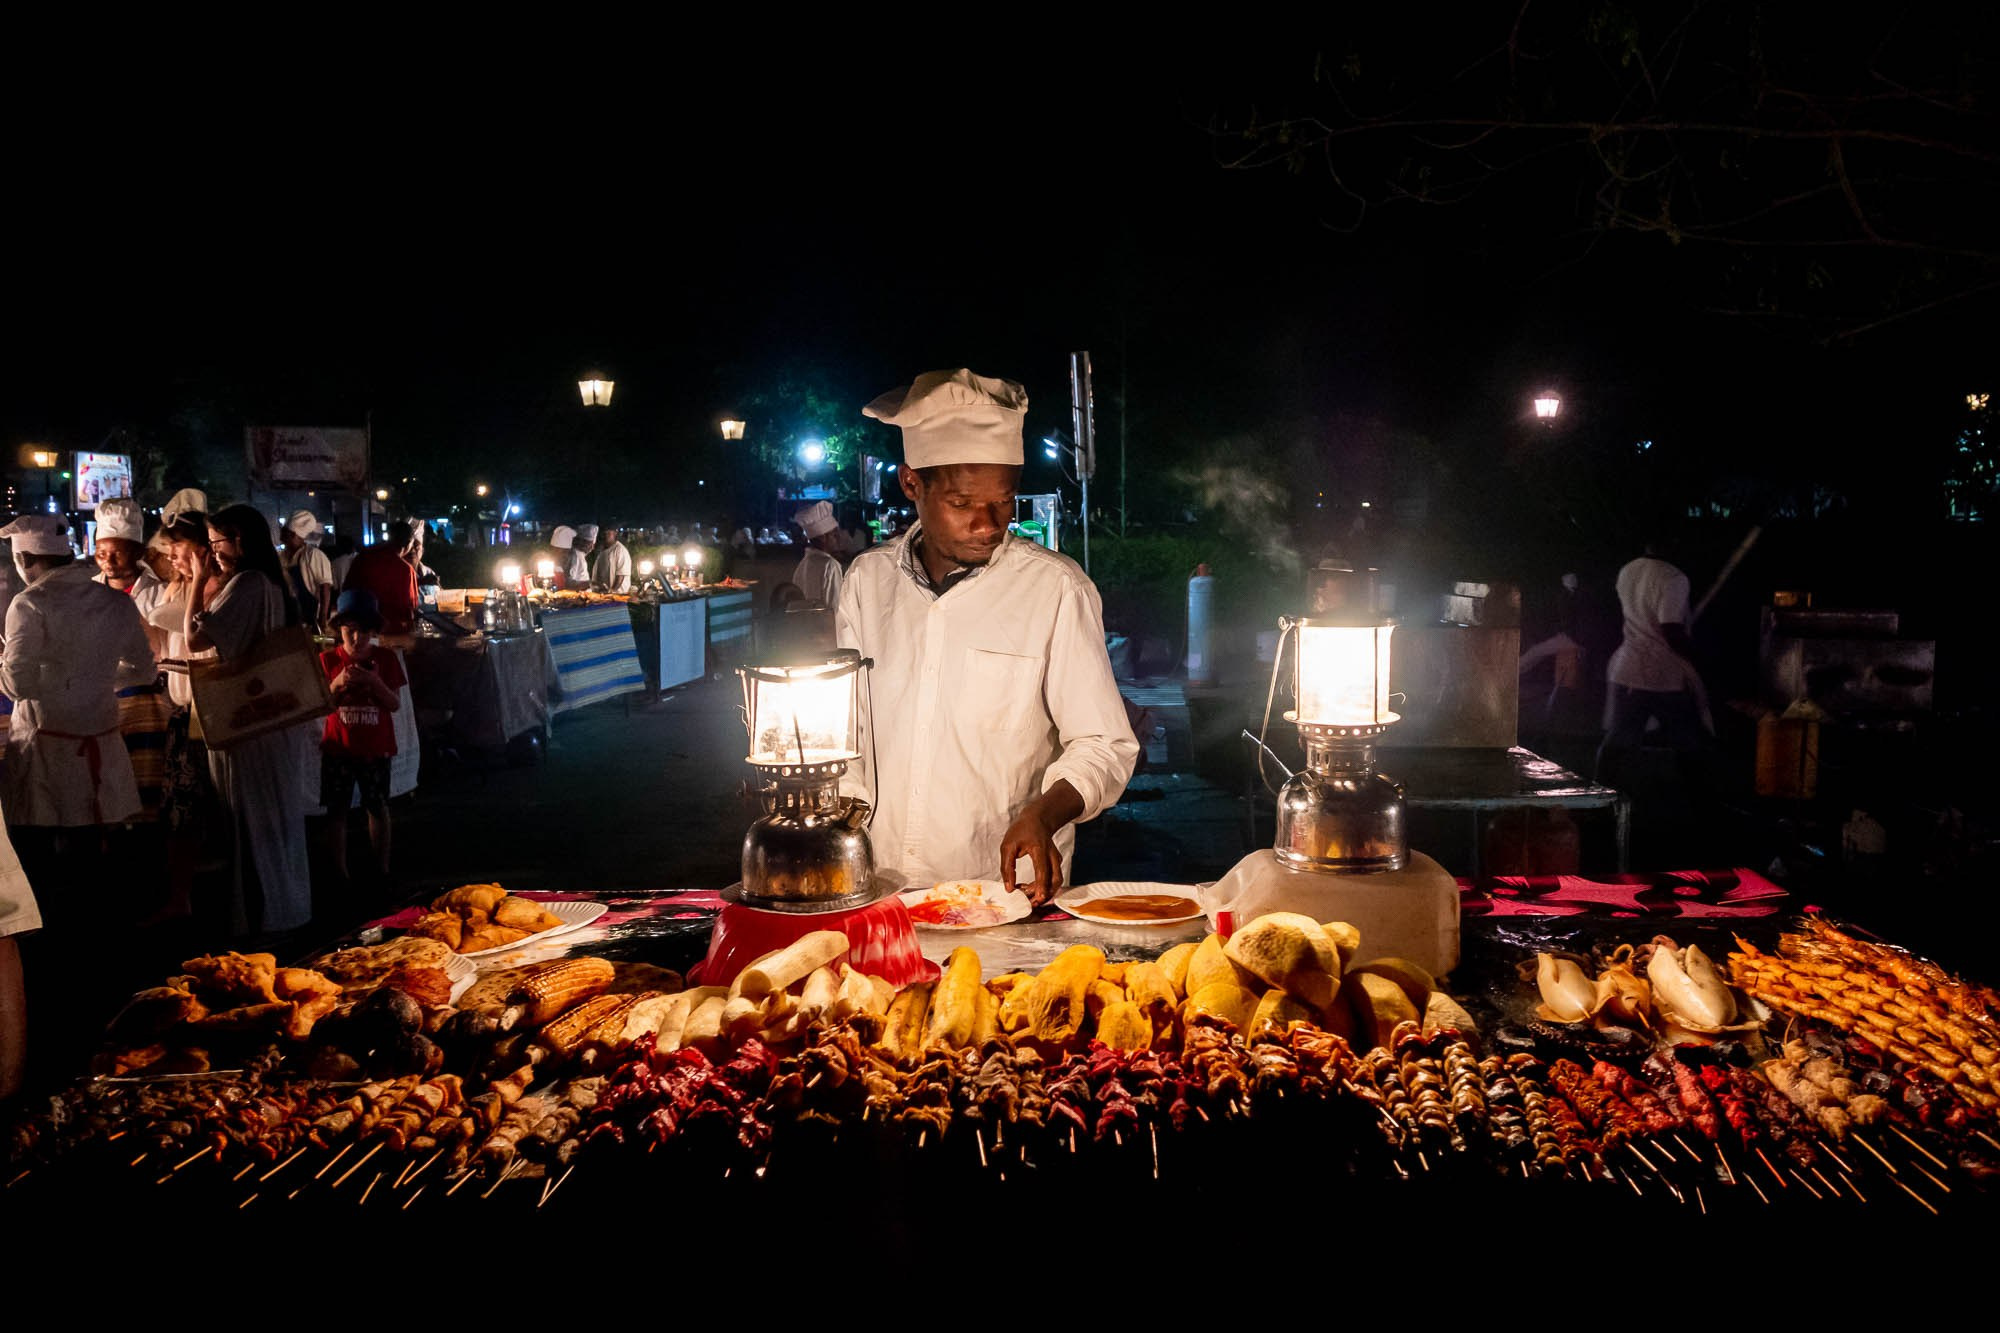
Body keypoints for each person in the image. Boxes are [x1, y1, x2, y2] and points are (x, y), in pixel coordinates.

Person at [837, 368, 1138, 904]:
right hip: (877, 891)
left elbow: (1104, 744)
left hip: (1003, 893)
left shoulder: (1055, 589)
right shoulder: (867, 583)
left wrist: (1043, 815)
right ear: (912, 484)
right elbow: (848, 731)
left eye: (1004, 502)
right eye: (961, 503)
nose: (987, 523)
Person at [188, 504, 316, 936]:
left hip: (247, 720)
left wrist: (196, 582)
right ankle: (288, 905)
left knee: (251, 816)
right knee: (279, 815)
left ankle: (261, 915)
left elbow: (196, 637)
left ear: (238, 540)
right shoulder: (275, 584)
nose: (213, 550)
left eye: (216, 542)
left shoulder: (247, 583)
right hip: (278, 716)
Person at [0, 513, 157, 834]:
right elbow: (143, 671)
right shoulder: (116, 602)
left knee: (51, 866)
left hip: (46, 757)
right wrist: (92, 679)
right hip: (104, 752)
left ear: (24, 559)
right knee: (99, 857)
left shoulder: (29, 603)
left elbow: (16, 685)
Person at [1595, 534, 1710, 788]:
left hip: (1628, 666)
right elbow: (1671, 629)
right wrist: (1699, 657)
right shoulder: (1674, 577)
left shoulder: (1628, 570)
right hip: (1662, 673)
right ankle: (1704, 803)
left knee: (1618, 742)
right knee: (1688, 741)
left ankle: (1599, 798)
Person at [316, 589, 405, 889]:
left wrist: (374, 681)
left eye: (364, 632)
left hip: (376, 748)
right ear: (339, 630)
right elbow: (319, 705)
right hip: (338, 747)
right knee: (337, 810)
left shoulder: (386, 659)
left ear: (373, 632)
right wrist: (338, 683)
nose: (356, 639)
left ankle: (382, 868)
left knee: (377, 806)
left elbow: (394, 704)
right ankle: (338, 873)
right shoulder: (327, 660)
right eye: (349, 631)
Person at [92, 499, 173, 817]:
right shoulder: (88, 593)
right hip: (103, 703)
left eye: (117, 552)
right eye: (101, 553)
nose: (108, 561)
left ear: (138, 552)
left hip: (150, 705)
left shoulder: (159, 593)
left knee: (146, 787)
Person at [342, 520, 420, 635]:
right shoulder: (405, 570)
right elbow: (409, 608)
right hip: (391, 633)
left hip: (360, 631)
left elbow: (347, 590)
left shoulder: (363, 557)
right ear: (408, 543)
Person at [280, 509, 337, 633]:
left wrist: (322, 618)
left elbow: (325, 588)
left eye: (284, 531)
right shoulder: (281, 557)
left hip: (312, 617)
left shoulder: (313, 555)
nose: (281, 533)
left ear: (294, 534)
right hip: (292, 616)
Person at [790, 500, 845, 609]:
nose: (839, 538)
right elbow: (835, 610)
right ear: (822, 537)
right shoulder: (830, 566)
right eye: (834, 534)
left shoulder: (802, 565)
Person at [591, 525, 633, 593]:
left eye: (608, 533)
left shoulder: (620, 550)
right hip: (603, 595)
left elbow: (621, 575)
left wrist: (612, 591)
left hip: (618, 595)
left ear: (615, 533)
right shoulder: (602, 552)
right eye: (604, 533)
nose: (605, 535)